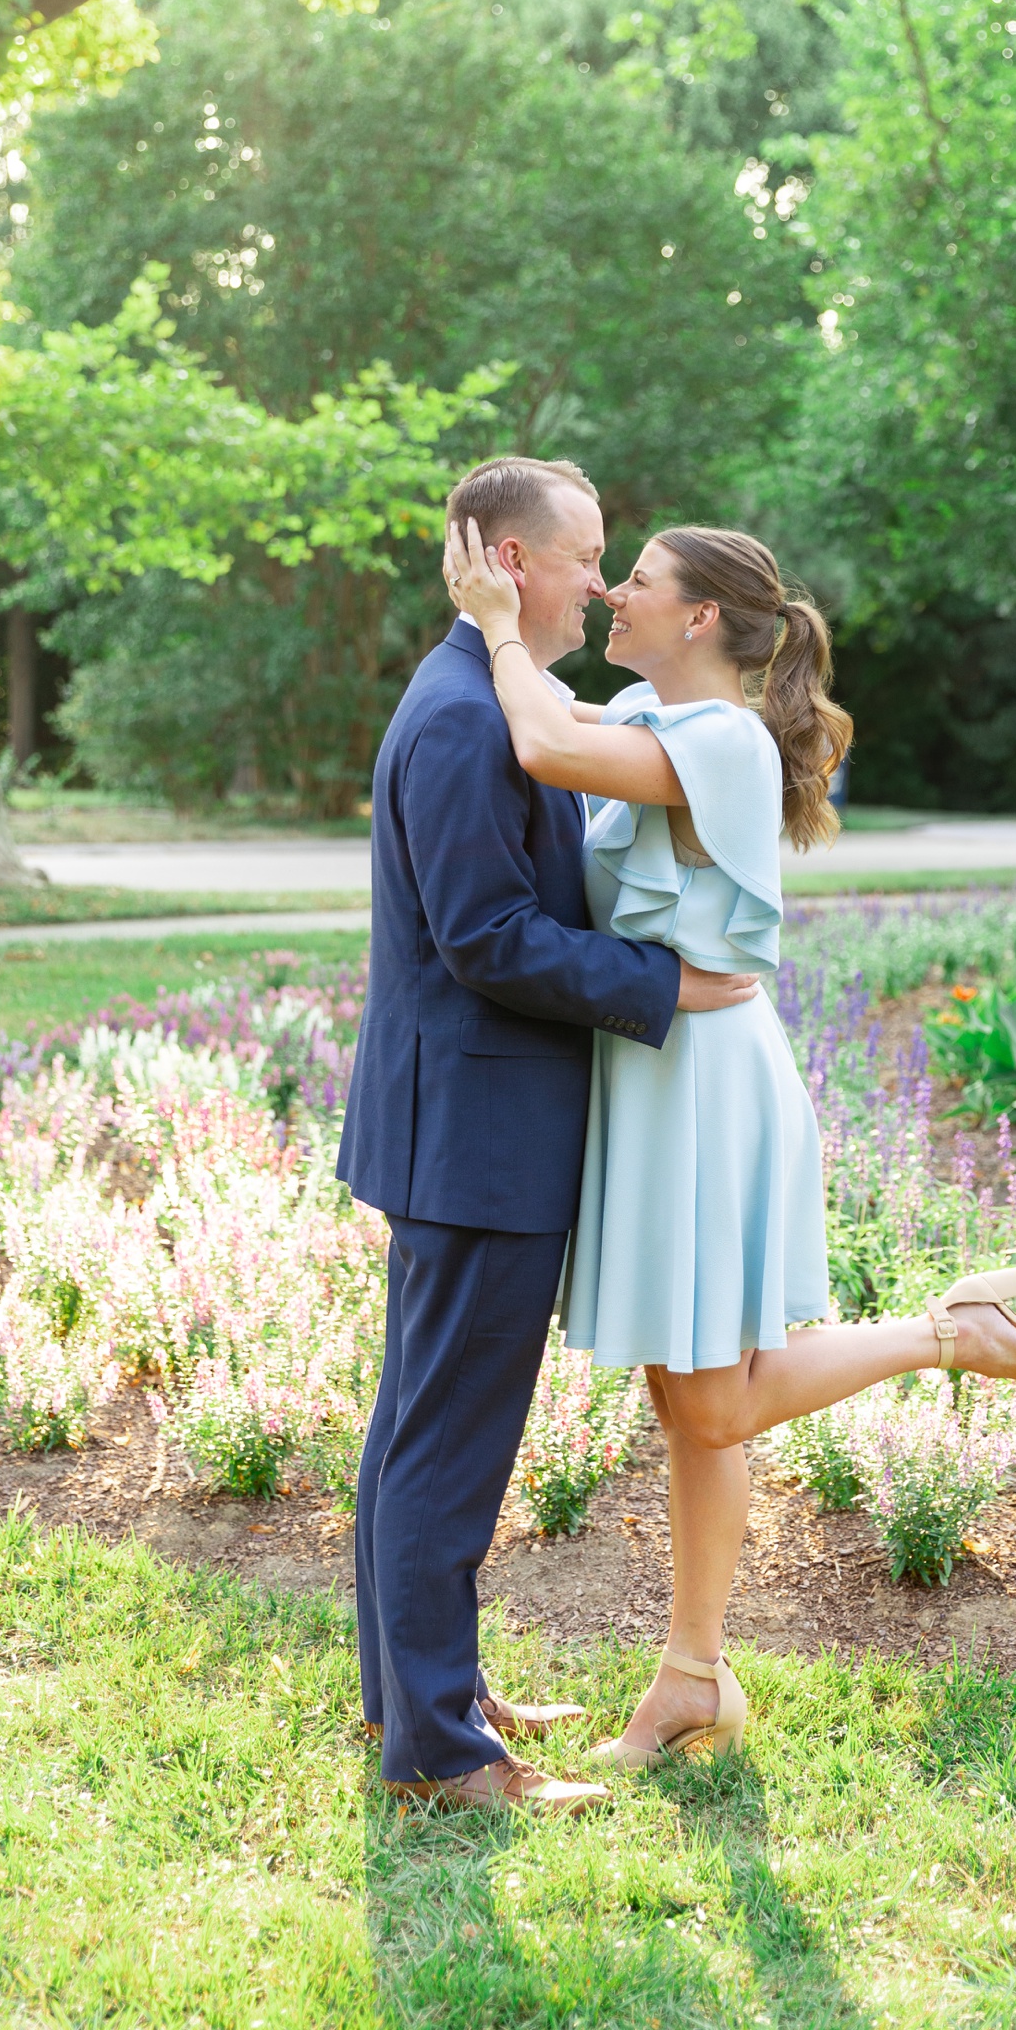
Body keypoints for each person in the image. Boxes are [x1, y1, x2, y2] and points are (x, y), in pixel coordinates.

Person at [445, 509, 1016, 1772]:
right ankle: (692, 1675)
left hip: (704, 1082)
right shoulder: (656, 721)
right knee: (692, 1407)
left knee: (712, 1399)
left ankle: (954, 1335)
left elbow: (538, 742)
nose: (616, 596)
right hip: (661, 1068)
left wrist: (499, 625)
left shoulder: (722, 738)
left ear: (700, 620)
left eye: (640, 583)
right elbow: (563, 736)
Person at [338, 455, 762, 1816]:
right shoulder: (468, 716)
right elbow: (486, 939)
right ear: (517, 564)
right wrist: (666, 986)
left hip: (468, 1123)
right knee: (446, 1448)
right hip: (479, 1136)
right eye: (587, 557)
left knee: (417, 1432)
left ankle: (419, 1697)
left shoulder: (479, 688)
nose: (601, 578)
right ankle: (446, 1757)